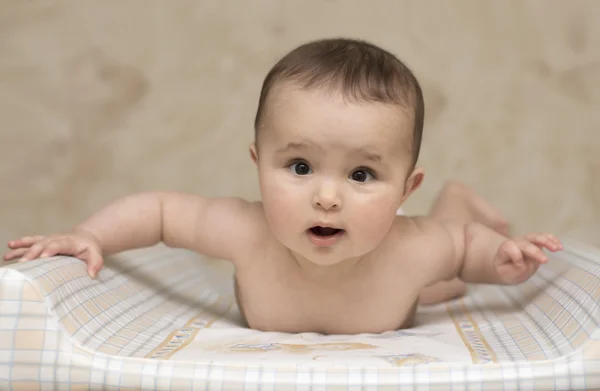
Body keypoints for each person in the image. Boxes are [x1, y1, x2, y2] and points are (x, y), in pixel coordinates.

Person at [3, 38, 562, 335]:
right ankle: (452, 199)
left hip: (407, 279)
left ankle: (455, 199)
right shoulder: (246, 231)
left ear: (404, 192)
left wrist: (502, 259)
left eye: (361, 175)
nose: (326, 197)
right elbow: (158, 210)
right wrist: (86, 235)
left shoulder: (414, 246)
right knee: (439, 278)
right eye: (299, 166)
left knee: (448, 284)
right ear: (257, 161)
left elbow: (466, 249)